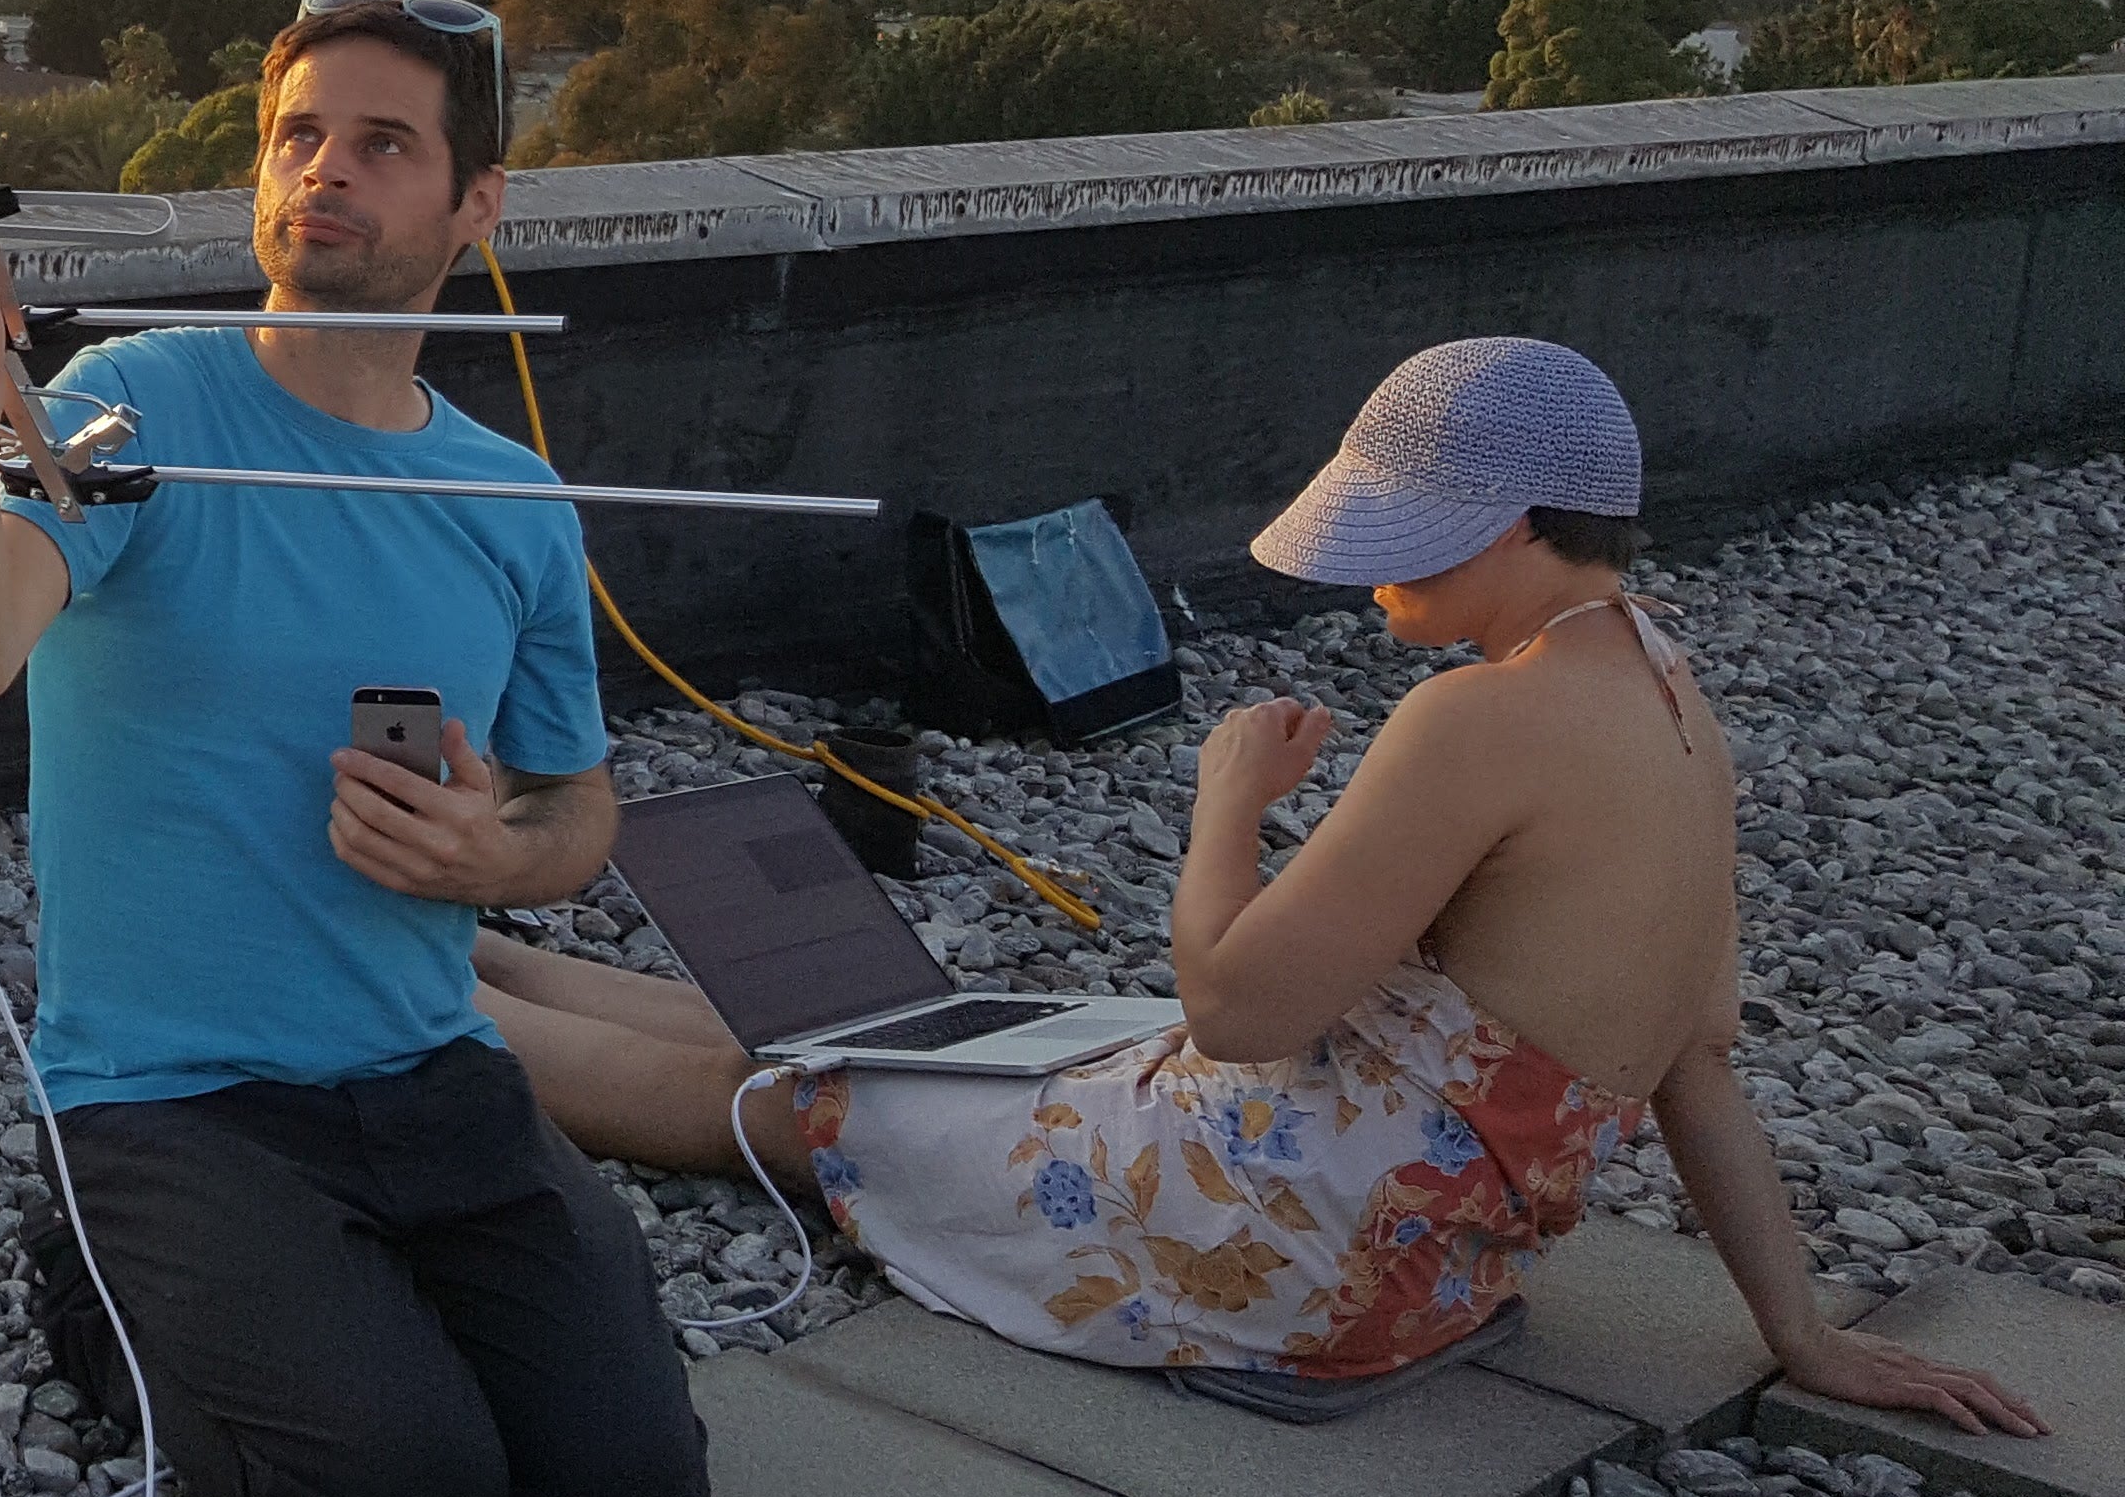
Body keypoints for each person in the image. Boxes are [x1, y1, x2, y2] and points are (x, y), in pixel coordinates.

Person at [481, 337, 2042, 1430]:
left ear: (1505, 523)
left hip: (1290, 1251)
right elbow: (1697, 1059)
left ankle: (414, 1001)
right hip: (1424, 1269)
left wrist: (1228, 803)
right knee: (895, 1023)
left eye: (1398, 534)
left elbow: (1230, 1009)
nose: (1368, 576)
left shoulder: (1481, 718)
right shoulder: (1673, 704)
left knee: (816, 1104)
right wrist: (1801, 1331)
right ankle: (483, 958)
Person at [0, 0, 711, 1497]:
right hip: (176, 1100)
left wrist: (486, 852)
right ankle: (99, 1277)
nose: (328, 170)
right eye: (299, 136)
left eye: (385, 144)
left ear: (476, 203)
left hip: (437, 1070)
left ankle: (340, 1305)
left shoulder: (512, 499)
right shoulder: (135, 405)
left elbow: (573, 816)